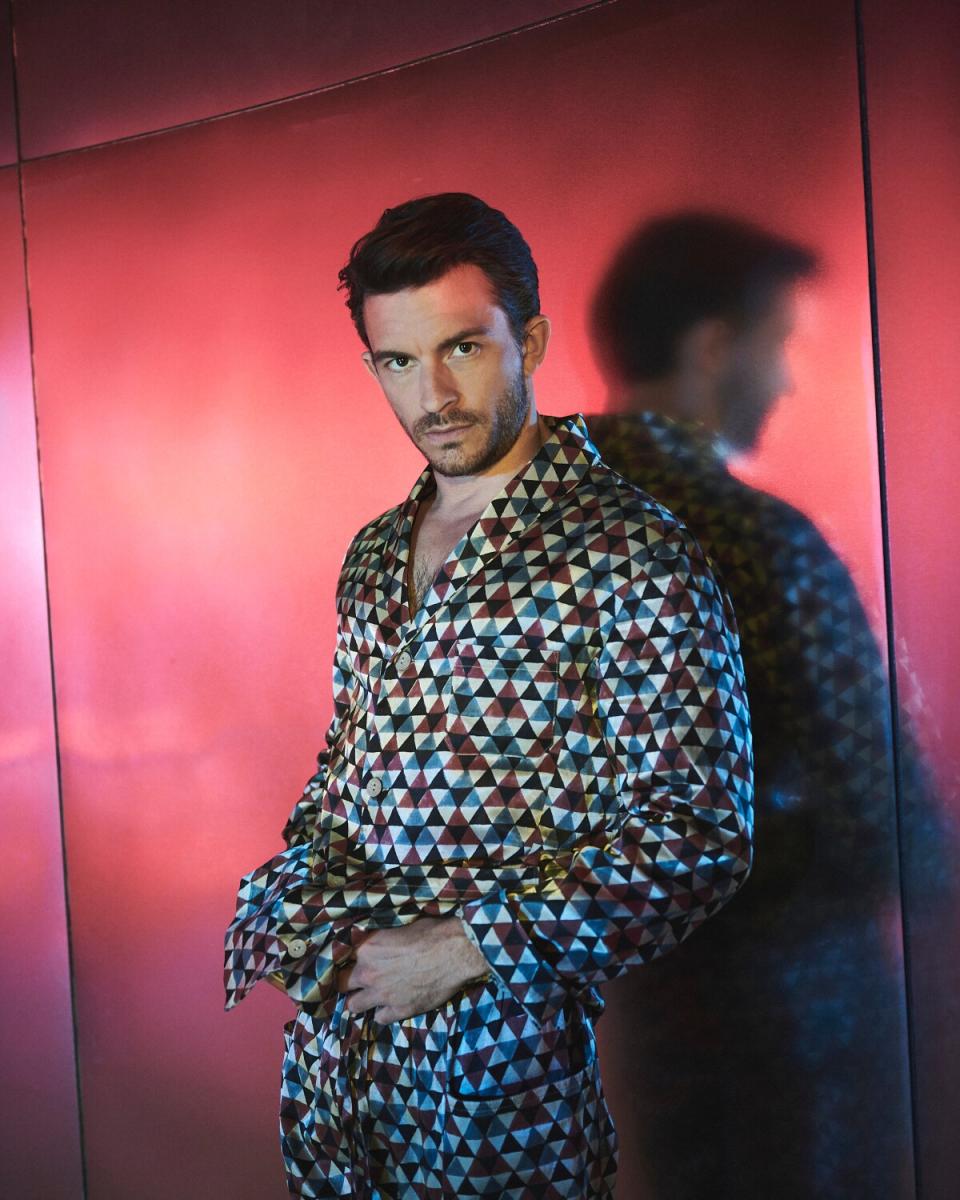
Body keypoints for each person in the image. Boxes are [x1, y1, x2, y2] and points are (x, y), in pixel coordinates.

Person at [224, 193, 753, 1199]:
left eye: (462, 348)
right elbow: (349, 771)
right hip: (342, 1080)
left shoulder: (628, 552)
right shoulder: (376, 553)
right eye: (398, 362)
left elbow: (700, 830)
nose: (433, 395)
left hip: (503, 1090)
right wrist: (299, 895)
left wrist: (473, 944)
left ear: (532, 339)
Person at [588, 211, 916, 1198]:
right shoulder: (761, 546)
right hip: (798, 1027)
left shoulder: (520, 553)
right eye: (777, 346)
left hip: (640, 1031)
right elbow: (885, 814)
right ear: (713, 346)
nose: (786, 380)